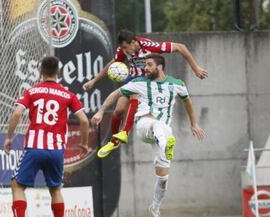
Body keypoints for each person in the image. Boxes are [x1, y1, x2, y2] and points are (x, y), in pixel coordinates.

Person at [91, 54, 206, 217]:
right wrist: (100, 111)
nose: (146, 68)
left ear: (160, 67)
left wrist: (194, 123)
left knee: (163, 178)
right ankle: (166, 144)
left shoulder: (177, 84)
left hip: (165, 131)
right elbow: (116, 94)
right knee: (158, 128)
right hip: (144, 125)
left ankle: (155, 209)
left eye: (149, 65)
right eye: (145, 65)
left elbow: (188, 102)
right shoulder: (139, 82)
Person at [83, 29, 208, 158]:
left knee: (135, 94)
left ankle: (125, 132)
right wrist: (94, 80)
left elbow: (181, 47)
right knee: (118, 110)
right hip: (132, 80)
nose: (124, 51)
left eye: (126, 47)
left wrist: (196, 68)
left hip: (147, 83)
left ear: (133, 42)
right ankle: (114, 142)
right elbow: (113, 63)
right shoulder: (122, 51)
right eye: (122, 48)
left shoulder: (149, 46)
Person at [4, 56, 89, 217]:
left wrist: (9, 137)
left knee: (17, 185)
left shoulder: (32, 91)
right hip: (56, 150)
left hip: (35, 147)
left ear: (41, 71)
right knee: (56, 189)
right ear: (58, 72)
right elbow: (84, 121)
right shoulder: (68, 94)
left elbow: (16, 113)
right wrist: (85, 143)